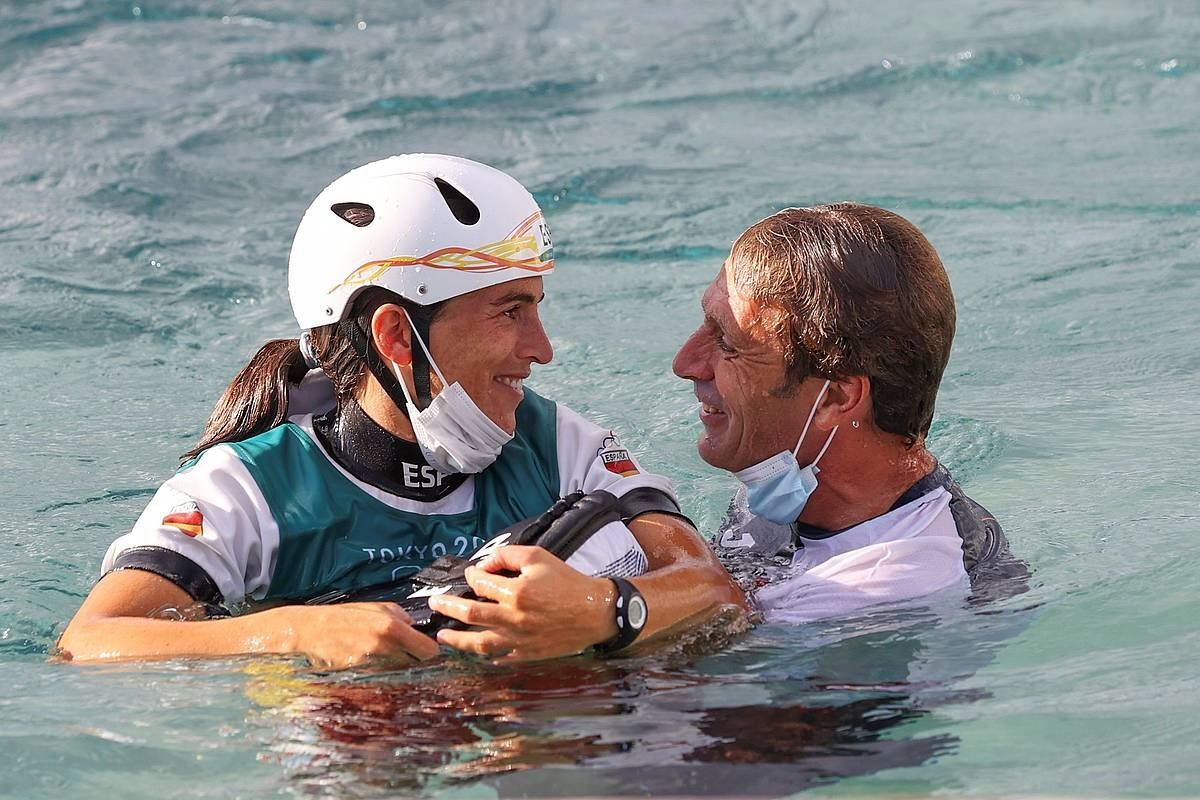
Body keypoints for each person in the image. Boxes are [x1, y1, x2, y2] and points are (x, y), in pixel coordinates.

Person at [59, 154, 744, 667]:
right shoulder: (246, 489)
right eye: (512, 311)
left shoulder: (566, 448)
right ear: (395, 336)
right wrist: (296, 632)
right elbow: (90, 642)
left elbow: (715, 591)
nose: (543, 349)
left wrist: (605, 611)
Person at [672, 203, 1019, 624]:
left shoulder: (887, 590)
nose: (685, 362)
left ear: (835, 398)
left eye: (727, 342)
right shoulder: (790, 466)